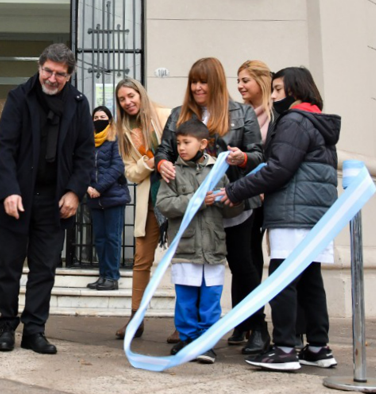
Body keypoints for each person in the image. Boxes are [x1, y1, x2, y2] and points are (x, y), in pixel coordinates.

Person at [216, 67, 341, 372]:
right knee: (311, 281)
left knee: (282, 281)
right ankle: (317, 347)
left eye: (278, 90)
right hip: (316, 214)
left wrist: (236, 190)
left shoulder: (294, 121)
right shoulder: (317, 123)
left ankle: (284, 347)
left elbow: (278, 169)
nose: (273, 96)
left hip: (294, 213)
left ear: (295, 91)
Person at [155, 57, 264, 353]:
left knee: (244, 266)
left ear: (216, 82)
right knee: (192, 270)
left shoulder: (242, 113)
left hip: (233, 204)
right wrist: (162, 162)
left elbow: (258, 155)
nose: (198, 87)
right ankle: (192, 332)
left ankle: (257, 327)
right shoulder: (179, 114)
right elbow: (163, 149)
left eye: (203, 81)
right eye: (193, 81)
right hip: (195, 209)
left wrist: (243, 158)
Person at [0, 43, 93, 355]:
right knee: (8, 266)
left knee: (44, 269)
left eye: (59, 74)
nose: (51, 78)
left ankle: (34, 330)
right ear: (40, 67)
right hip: (17, 198)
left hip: (55, 200)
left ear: (69, 76)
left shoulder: (78, 103)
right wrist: (8, 189)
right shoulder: (18, 97)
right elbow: (4, 147)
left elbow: (85, 154)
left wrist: (75, 192)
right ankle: (7, 327)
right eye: (47, 71)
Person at [156, 119, 235, 363]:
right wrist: (196, 199)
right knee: (186, 298)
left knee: (211, 298)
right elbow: (164, 204)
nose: (181, 147)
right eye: (178, 143)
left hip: (212, 247)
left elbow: (230, 208)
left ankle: (206, 342)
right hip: (186, 247)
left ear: (202, 144)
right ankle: (188, 338)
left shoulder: (218, 171)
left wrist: (230, 200)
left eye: (186, 142)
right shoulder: (172, 172)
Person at [112, 78, 171, 340]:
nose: (127, 102)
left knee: (182, 260)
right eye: (122, 99)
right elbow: (130, 174)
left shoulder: (165, 115)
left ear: (140, 93)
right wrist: (149, 163)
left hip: (176, 198)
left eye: (131, 96)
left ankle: (185, 323)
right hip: (149, 201)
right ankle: (136, 319)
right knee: (141, 262)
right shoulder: (122, 131)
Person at [234, 59, 274, 353]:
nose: (240, 86)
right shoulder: (241, 114)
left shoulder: (275, 117)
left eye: (245, 80)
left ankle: (254, 322)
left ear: (262, 81)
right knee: (241, 259)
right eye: (238, 81)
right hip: (244, 195)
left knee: (250, 260)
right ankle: (242, 320)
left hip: (264, 197)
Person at [85, 105, 130, 292]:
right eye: (95, 117)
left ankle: (112, 277)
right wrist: (87, 187)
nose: (98, 119)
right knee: (100, 239)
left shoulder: (115, 139)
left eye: (102, 116)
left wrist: (98, 187)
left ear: (110, 120)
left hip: (113, 197)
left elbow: (117, 167)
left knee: (112, 238)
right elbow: (83, 166)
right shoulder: (88, 142)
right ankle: (103, 275)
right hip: (94, 198)